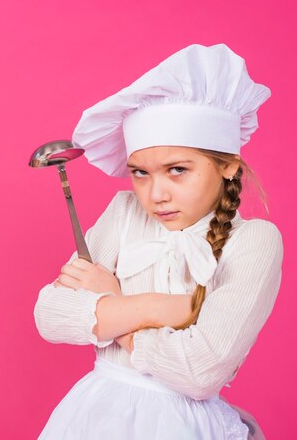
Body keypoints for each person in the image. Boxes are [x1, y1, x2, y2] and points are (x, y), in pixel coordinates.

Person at [33, 44, 283, 439]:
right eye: (140, 173)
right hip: (95, 418)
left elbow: (200, 372)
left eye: (177, 170)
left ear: (228, 165)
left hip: (185, 426)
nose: (156, 194)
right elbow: (50, 314)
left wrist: (114, 311)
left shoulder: (254, 241)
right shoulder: (125, 212)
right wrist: (163, 308)